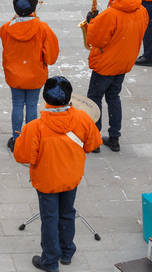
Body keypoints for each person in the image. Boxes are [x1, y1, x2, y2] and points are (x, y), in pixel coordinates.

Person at [13, 76, 102, 272]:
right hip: (71, 177)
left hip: (47, 180)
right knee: (68, 213)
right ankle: (67, 252)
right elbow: (93, 145)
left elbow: (22, 156)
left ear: (45, 98)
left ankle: (50, 261)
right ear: (70, 98)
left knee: (50, 218)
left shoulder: (34, 127)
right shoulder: (83, 119)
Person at [84, 0, 148, 152]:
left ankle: (94, 139)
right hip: (124, 62)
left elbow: (96, 40)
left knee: (94, 99)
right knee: (113, 97)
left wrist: (92, 21)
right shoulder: (141, 10)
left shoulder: (111, 14)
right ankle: (114, 138)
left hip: (106, 63)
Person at [1, 0, 59, 151]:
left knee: (17, 104)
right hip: (35, 73)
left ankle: (17, 138)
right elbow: (51, 57)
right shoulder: (42, 28)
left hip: (15, 74)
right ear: (34, 8)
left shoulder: (6, 28)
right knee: (32, 105)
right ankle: (31, 138)